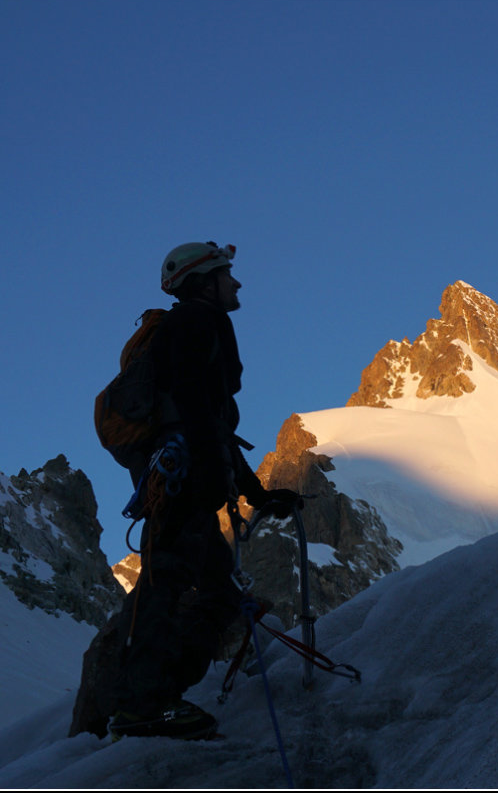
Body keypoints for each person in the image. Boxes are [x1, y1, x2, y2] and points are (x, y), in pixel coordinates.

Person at [104, 241, 301, 740]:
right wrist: (218, 475)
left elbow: (206, 419)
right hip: (185, 480)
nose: (236, 283)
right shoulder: (197, 322)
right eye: (227, 274)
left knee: (217, 590)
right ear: (204, 281)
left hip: (180, 476)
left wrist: (255, 492)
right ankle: (147, 702)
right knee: (168, 581)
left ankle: (160, 694)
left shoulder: (187, 325)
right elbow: (196, 408)